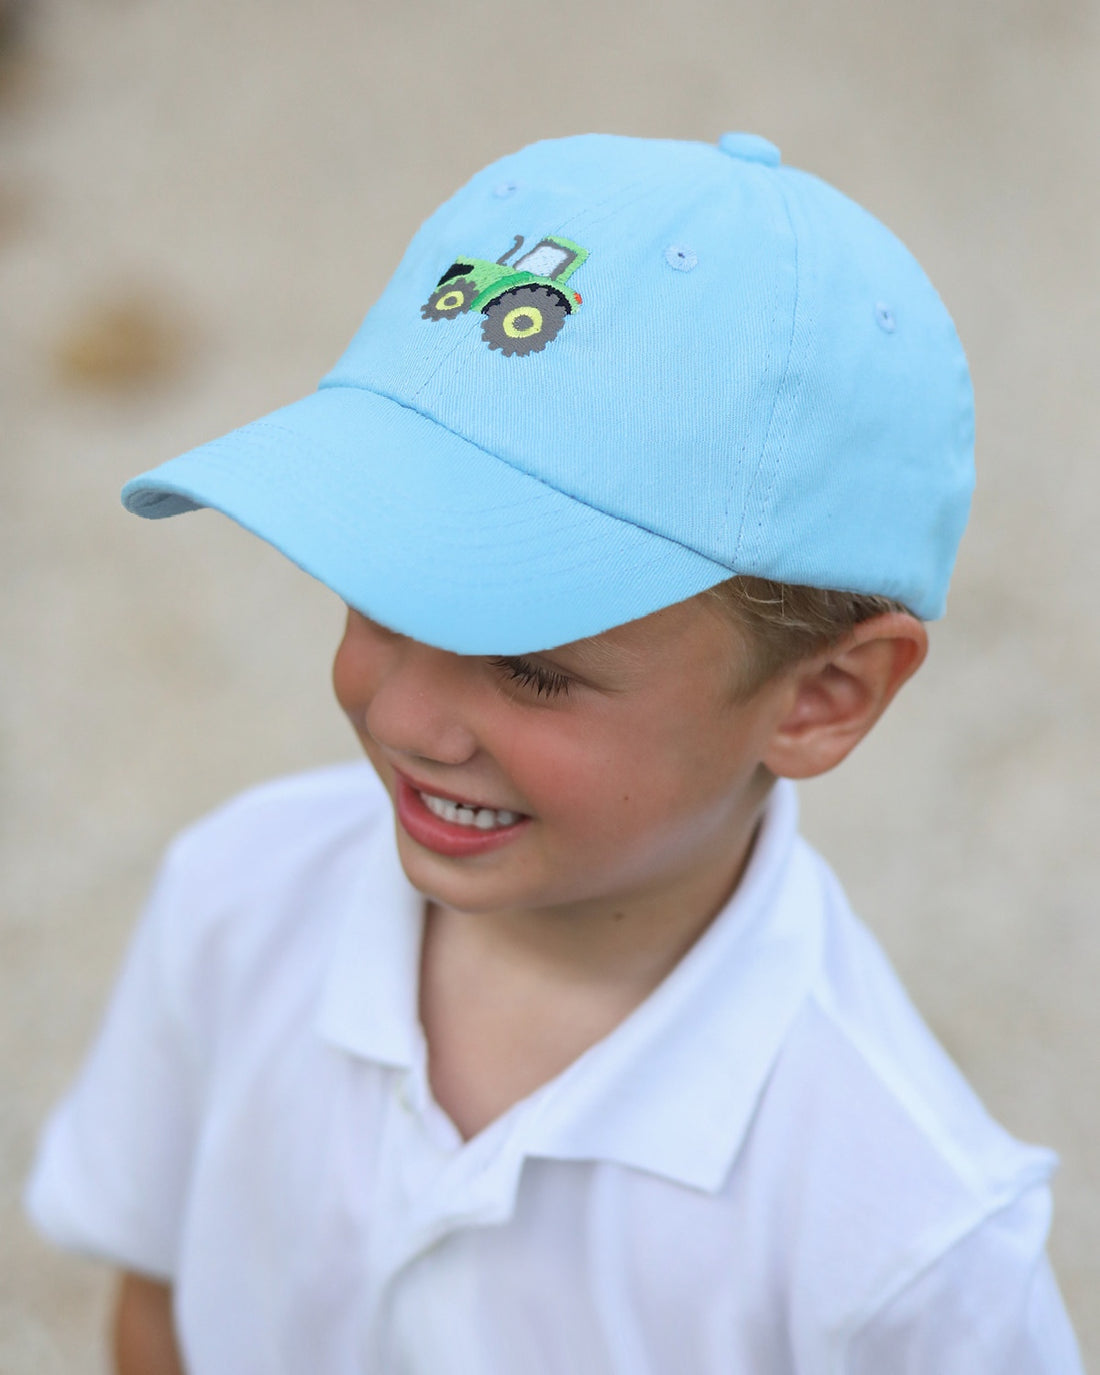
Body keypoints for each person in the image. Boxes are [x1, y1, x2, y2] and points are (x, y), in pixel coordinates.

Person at [26, 132, 1083, 1373]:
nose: (405, 717)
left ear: (821, 697)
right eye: (379, 598)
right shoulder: (233, 899)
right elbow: (159, 1310)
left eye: (530, 667)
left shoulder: (910, 1246)